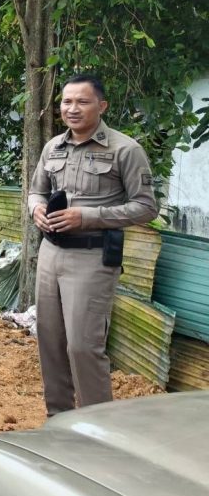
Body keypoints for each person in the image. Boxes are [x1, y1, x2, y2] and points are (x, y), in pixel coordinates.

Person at [29, 74, 156, 416]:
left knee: (83, 347)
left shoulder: (125, 150)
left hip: (92, 257)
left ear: (102, 106)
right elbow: (36, 191)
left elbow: (146, 207)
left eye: (82, 102)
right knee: (50, 342)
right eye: (66, 101)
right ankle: (59, 421)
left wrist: (87, 217)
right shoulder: (53, 147)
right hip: (50, 254)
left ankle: (97, 427)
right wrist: (36, 209)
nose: (72, 108)